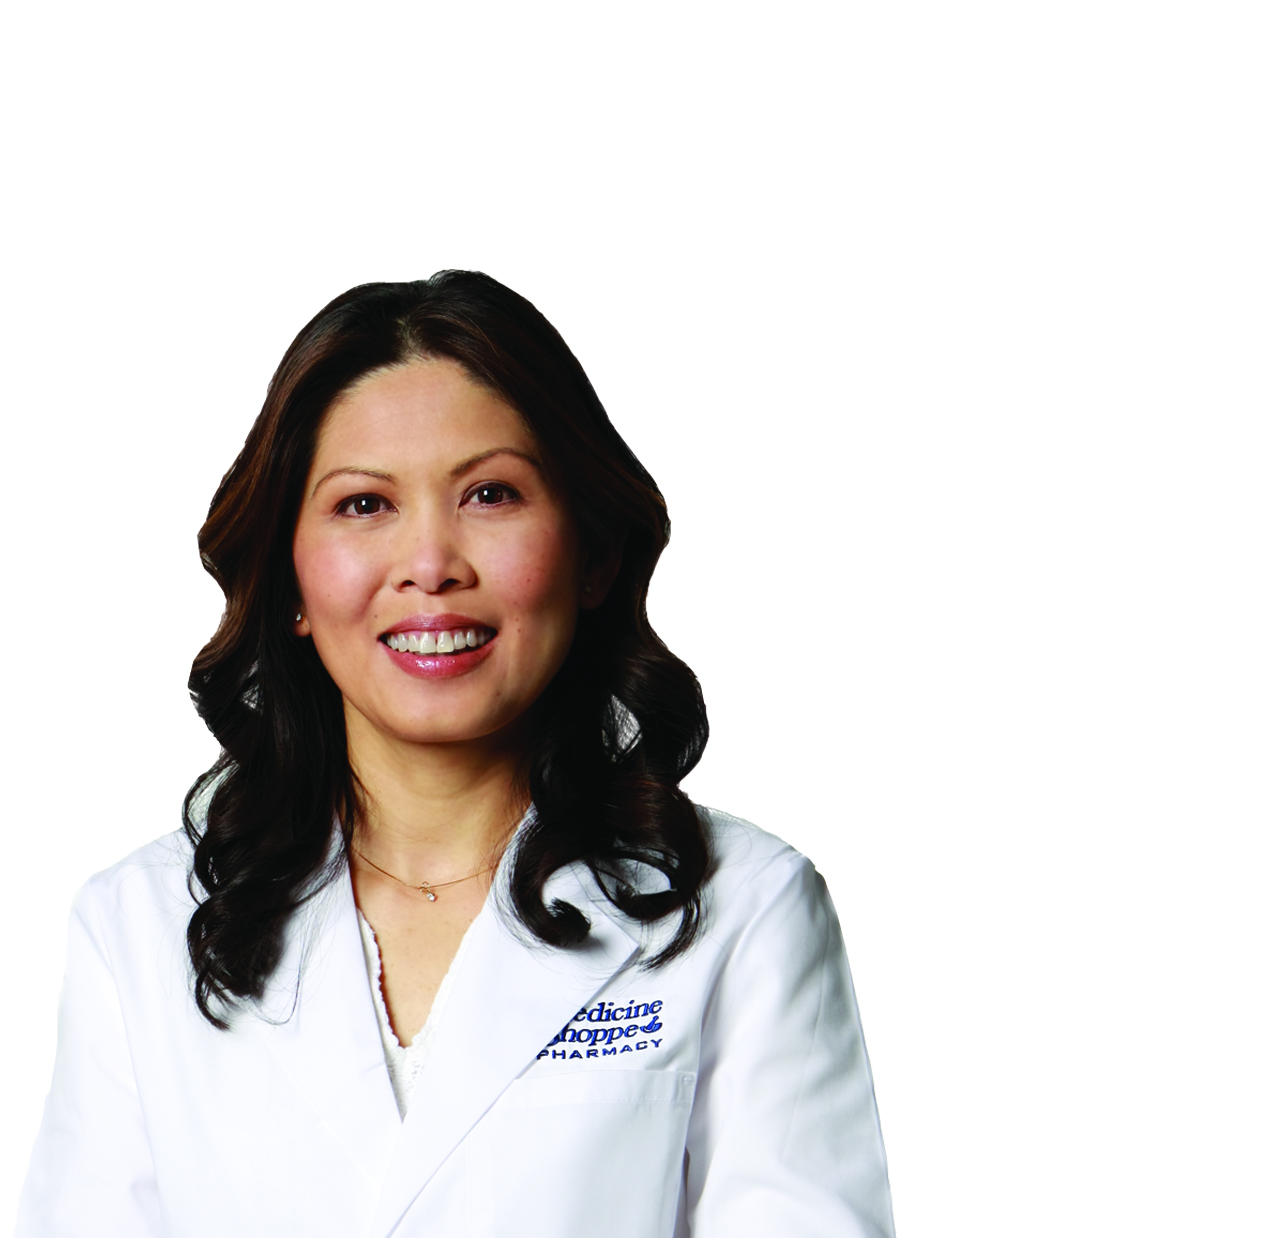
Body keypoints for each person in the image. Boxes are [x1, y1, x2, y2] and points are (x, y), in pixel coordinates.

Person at [17, 272, 895, 1237]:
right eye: (364, 505)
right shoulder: (138, 929)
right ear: (290, 580)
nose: (431, 565)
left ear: (592, 555)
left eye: (490, 494)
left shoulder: (746, 911)